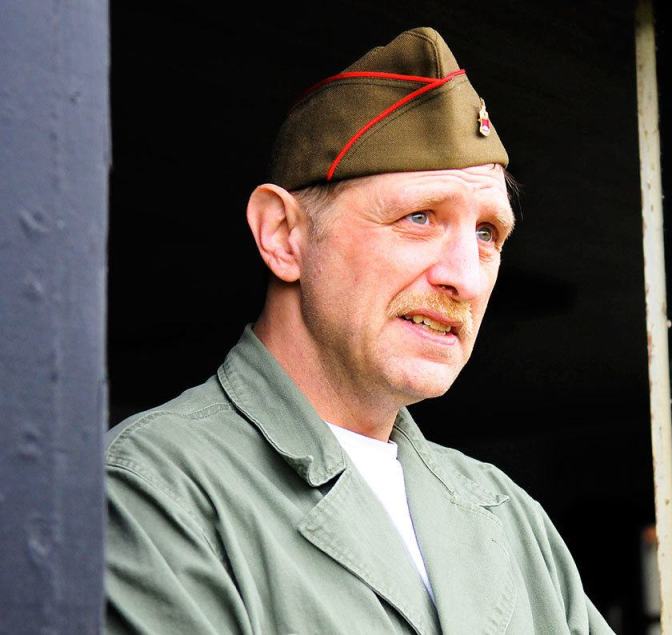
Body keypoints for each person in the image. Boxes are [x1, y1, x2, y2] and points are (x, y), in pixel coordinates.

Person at [104, 27, 613, 634]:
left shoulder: (508, 517)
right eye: (419, 217)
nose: (466, 278)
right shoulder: (156, 489)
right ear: (283, 235)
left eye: (487, 234)